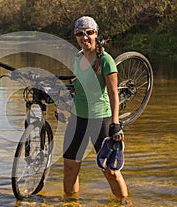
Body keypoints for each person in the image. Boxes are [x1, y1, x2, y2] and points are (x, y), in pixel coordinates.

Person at [59, 16, 132, 206]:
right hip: (78, 119)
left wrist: (115, 124)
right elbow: (79, 87)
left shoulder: (106, 60)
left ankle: (124, 203)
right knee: (69, 166)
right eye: (79, 34)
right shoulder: (77, 57)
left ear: (96, 34)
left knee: (110, 170)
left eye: (89, 33)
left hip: (101, 120)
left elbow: (113, 94)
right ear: (75, 37)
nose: (85, 37)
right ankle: (71, 203)